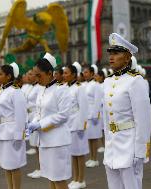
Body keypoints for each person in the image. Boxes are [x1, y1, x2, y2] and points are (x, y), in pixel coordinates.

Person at [103, 33, 151, 189]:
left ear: (127, 57)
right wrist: (107, 140)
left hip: (129, 143)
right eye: (110, 53)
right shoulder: (108, 81)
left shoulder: (135, 81)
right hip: (112, 144)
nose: (111, 57)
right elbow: (106, 117)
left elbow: (143, 120)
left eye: (116, 53)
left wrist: (140, 150)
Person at [27, 53, 72, 189]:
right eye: (35, 75)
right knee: (50, 178)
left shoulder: (61, 90)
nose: (36, 78)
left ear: (49, 73)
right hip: (45, 140)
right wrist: (33, 123)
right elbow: (39, 110)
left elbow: (63, 115)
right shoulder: (41, 89)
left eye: (39, 75)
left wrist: (40, 124)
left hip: (57, 141)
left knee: (59, 180)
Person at [0, 63, 27, 189]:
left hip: (12, 134)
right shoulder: (2, 90)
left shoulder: (15, 91)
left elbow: (21, 115)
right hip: (2, 132)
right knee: (6, 165)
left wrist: (20, 136)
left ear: (8, 76)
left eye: (0, 74)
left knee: (14, 165)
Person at [63, 62, 89, 189]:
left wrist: (82, 125)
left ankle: (81, 179)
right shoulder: (66, 88)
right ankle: (75, 178)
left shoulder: (79, 88)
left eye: (66, 73)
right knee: (72, 153)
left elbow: (84, 108)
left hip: (77, 124)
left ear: (73, 74)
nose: (64, 75)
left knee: (80, 153)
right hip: (68, 124)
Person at [25, 68, 44, 179]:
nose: (29, 76)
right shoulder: (32, 87)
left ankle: (42, 168)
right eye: (28, 74)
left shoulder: (39, 87)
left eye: (31, 74)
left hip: (36, 117)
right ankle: (39, 167)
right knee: (35, 145)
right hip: (31, 117)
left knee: (38, 145)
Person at [83, 65, 102, 168]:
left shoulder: (96, 85)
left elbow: (98, 101)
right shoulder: (84, 85)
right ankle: (91, 157)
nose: (84, 74)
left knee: (94, 138)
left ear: (91, 73)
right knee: (89, 138)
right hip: (87, 114)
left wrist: (95, 115)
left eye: (86, 72)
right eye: (83, 72)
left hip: (93, 115)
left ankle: (95, 159)